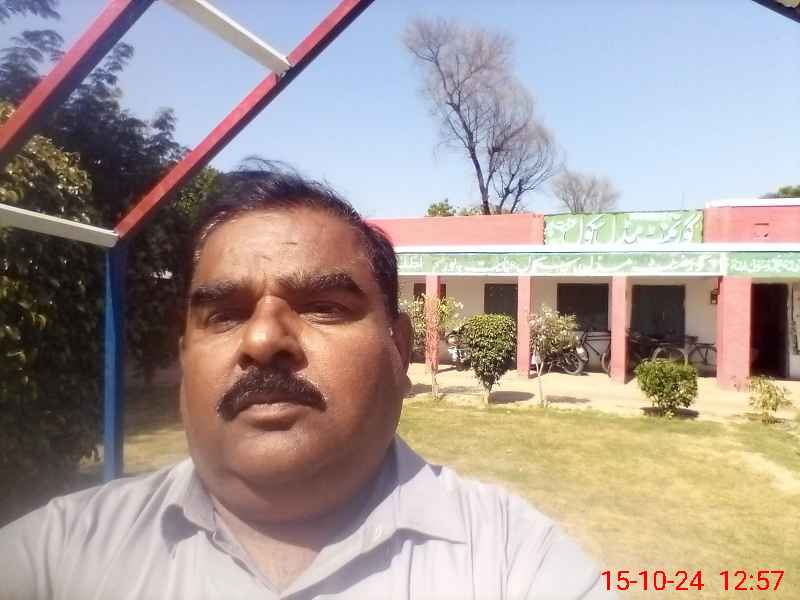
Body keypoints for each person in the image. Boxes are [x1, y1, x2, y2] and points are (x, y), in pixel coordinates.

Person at [0, 162, 613, 599]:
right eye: (225, 314)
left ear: (399, 350)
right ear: (185, 355)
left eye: (324, 307)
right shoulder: (57, 558)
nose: (263, 340)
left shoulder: (513, 563)